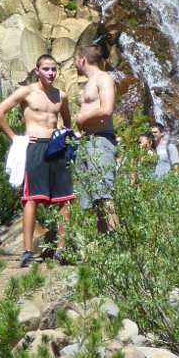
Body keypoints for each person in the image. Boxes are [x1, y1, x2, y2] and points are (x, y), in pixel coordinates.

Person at [0, 54, 74, 267]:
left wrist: (67, 137)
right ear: (37, 71)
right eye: (46, 69)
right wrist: (15, 138)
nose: (50, 73)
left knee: (65, 199)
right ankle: (27, 251)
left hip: (56, 148)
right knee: (32, 199)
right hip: (34, 148)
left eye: (54, 69)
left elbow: (67, 122)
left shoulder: (60, 96)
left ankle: (62, 250)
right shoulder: (26, 92)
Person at [74, 44, 118, 233]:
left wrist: (83, 118)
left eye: (75, 60)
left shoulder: (104, 78)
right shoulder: (89, 83)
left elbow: (107, 109)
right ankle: (105, 248)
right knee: (96, 198)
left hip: (100, 142)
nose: (74, 64)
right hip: (88, 143)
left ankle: (117, 245)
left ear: (82, 59)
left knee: (104, 194)